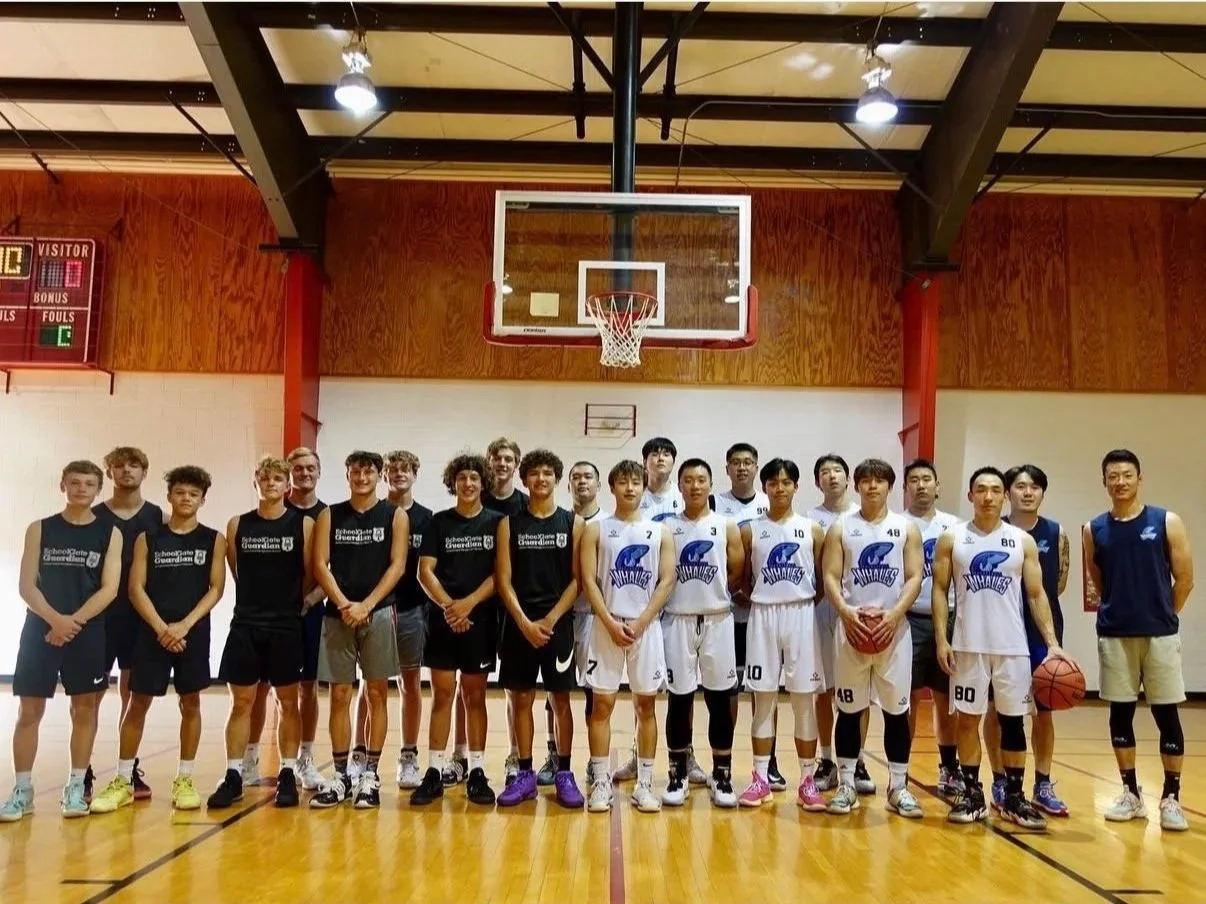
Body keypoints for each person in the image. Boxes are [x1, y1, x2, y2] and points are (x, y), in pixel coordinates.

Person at [932, 466, 1068, 829]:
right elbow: (939, 590)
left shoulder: (1020, 541)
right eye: (981, 490)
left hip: (1013, 647)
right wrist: (941, 638)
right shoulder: (953, 538)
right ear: (970, 496)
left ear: (1003, 496)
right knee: (967, 720)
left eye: (995, 490)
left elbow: (1037, 594)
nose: (988, 496)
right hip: (967, 645)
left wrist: (1052, 643)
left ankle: (1013, 795)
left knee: (1013, 722)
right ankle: (974, 793)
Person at [89, 466, 225, 814]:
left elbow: (216, 589)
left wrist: (184, 625)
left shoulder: (213, 539)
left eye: (193, 494)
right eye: (180, 492)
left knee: (191, 704)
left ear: (203, 500)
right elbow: (135, 588)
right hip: (152, 633)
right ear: (169, 497)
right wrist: (162, 627)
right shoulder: (148, 537)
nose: (186, 499)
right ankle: (123, 778)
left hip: (192, 634)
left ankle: (185, 779)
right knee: (137, 704)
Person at [0, 460, 122, 821]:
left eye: (88, 483)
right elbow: (26, 585)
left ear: (98, 490)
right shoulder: (40, 528)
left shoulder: (109, 532)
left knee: (84, 710)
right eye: (74, 482)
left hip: (87, 631)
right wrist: (55, 620)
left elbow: (110, 588)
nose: (81, 489)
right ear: (63, 486)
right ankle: (22, 789)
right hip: (41, 629)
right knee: (29, 711)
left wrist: (73, 622)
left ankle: (75, 786)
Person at [1083, 449, 1194, 832]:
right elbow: (1099, 581)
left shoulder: (1167, 521)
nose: (1120, 482)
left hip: (1160, 633)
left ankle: (1171, 798)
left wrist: (1165, 614)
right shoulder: (1093, 528)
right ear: (1105, 482)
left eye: (1127, 475)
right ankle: (1130, 793)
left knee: (1167, 716)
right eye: (1113, 476)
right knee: (1120, 716)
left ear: (1139, 478)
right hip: (1115, 634)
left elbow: (1185, 578)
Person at [208, 456, 314, 810]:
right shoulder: (238, 525)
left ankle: (286, 772)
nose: (270, 484)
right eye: (264, 478)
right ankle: (235, 774)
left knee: (288, 703)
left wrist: (297, 605)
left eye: (277, 479)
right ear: (256, 483)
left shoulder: (304, 525)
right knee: (241, 702)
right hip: (246, 625)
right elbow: (238, 572)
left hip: (286, 626)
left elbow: (311, 573)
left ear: (288, 486)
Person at [821, 458, 924, 818]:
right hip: (852, 631)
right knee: (849, 710)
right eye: (865, 481)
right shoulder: (840, 528)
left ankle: (898, 786)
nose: (872, 486)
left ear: (891, 488)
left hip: (894, 634)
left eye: (879, 481)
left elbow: (914, 577)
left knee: (897, 713)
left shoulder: (906, 528)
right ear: (856, 486)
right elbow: (831, 576)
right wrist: (848, 614)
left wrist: (895, 615)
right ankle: (847, 783)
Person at [310, 451, 409, 809]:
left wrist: (366, 605)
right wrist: (344, 604)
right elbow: (320, 564)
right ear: (347, 474)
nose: (362, 476)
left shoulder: (394, 516)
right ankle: (339, 775)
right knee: (340, 696)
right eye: (356, 470)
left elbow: (397, 566)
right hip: (339, 615)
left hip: (379, 613)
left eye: (369, 471)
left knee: (377, 695)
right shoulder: (329, 515)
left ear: (379, 475)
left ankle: (369, 774)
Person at [581, 460, 675, 814]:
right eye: (623, 482)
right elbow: (589, 580)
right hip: (606, 626)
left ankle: (645, 784)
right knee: (601, 705)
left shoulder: (659, 531)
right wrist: (608, 621)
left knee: (645, 706)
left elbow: (667, 580)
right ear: (612, 487)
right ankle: (601, 781)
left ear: (644, 486)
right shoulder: (597, 530)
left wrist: (641, 623)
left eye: (636, 482)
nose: (630, 488)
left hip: (644, 628)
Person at [410, 453, 503, 807]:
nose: (468, 483)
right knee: (444, 695)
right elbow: (425, 572)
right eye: (462, 477)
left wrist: (469, 604)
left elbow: (500, 575)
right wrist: (450, 606)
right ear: (454, 482)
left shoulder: (496, 523)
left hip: (479, 620)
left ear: (483, 483)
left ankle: (476, 771)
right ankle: (433, 771)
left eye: (474, 478)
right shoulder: (438, 522)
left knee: (474, 696)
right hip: (444, 619)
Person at [494, 449, 586, 808]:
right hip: (519, 624)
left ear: (557, 479)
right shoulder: (509, 524)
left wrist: (549, 620)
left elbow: (578, 580)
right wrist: (523, 622)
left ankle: (564, 772)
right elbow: (504, 580)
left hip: (557, 624)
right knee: (521, 699)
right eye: (534, 473)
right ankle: (525, 773)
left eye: (548, 473)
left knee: (559, 699)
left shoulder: (573, 523)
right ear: (524, 480)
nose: (541, 479)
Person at [737, 458, 827, 811]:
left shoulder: (812, 529)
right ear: (764, 487)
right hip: (763, 614)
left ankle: (807, 780)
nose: (779, 488)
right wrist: (760, 598)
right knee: (763, 700)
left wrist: (802, 601)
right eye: (772, 482)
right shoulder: (750, 530)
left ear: (796, 487)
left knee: (805, 700)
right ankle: (760, 778)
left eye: (786, 482)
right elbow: (741, 578)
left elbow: (821, 579)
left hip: (802, 614)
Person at [982, 464, 1070, 817]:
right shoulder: (994, 530)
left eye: (1035, 486)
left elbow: (1058, 583)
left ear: (1043, 493)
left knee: (1044, 710)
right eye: (1020, 486)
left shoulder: (1056, 532)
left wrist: (1048, 632)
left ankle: (1043, 782)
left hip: (1039, 631)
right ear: (1008, 493)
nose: (1028, 492)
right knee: (996, 709)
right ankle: (1000, 778)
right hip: (999, 630)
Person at [663, 458, 742, 808]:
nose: (695, 486)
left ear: (711, 484)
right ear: (679, 486)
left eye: (701, 480)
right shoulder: (666, 527)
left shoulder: (726, 525)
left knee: (719, 700)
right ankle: (677, 774)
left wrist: (717, 594)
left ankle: (721, 775)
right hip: (677, 619)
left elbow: (737, 571)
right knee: (679, 699)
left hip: (717, 619)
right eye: (688, 480)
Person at [90, 446, 164, 802]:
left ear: (144, 472)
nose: (126, 471)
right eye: (118, 466)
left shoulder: (157, 516)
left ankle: (126, 767)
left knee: (135, 698)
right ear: (109, 473)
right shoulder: (93, 517)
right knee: (87, 698)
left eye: (134, 465)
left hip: (140, 618)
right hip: (102, 618)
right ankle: (83, 770)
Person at [611, 436, 682, 784]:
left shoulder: (683, 497)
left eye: (666, 453)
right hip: (639, 611)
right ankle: (639, 760)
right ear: (644, 463)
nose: (660, 458)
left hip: (676, 607)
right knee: (643, 696)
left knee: (678, 692)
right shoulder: (634, 503)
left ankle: (683, 760)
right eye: (654, 453)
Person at [804, 454, 867, 795]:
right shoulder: (808, 519)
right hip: (820, 608)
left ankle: (857, 760)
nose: (831, 477)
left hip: (856, 611)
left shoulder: (864, 517)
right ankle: (827, 759)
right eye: (824, 472)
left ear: (848, 479)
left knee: (860, 692)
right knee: (824, 689)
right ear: (817, 482)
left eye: (837, 471)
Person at [901, 459, 961, 801]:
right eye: (914, 480)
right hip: (907, 618)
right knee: (904, 700)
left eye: (927, 480)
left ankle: (949, 767)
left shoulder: (953, 527)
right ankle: (901, 768)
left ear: (938, 487)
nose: (921, 485)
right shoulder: (897, 525)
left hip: (947, 618)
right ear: (906, 488)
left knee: (944, 699)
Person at [710, 442, 767, 784]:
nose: (742, 468)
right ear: (727, 468)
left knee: (764, 690)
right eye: (736, 463)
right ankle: (724, 761)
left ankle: (766, 762)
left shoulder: (769, 504)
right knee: (727, 690)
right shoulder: (716, 505)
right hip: (727, 611)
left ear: (756, 467)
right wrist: (737, 589)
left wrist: (755, 591)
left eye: (748, 462)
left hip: (762, 614)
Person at [381, 450, 433, 791]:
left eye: (406, 469)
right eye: (393, 469)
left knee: (409, 684)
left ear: (415, 474)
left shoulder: (428, 518)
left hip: (413, 609)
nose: (400, 474)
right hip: (376, 609)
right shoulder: (374, 513)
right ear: (385, 475)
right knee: (369, 687)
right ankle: (359, 756)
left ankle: (409, 756)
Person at [482, 437, 529, 787]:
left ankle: (516, 754)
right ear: (489, 461)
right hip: (479, 606)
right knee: (468, 685)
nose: (502, 463)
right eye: (496, 457)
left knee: (515, 688)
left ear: (517, 464)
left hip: (514, 605)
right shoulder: (474, 498)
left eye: (508, 458)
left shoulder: (525, 507)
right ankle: (462, 755)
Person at [284, 446, 327, 792]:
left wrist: (312, 598)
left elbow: (332, 569)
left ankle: (306, 758)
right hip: (273, 615)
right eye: (297, 468)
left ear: (319, 472)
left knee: (307, 688)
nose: (304, 473)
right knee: (260, 689)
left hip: (311, 612)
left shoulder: (329, 515)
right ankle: (249, 759)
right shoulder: (272, 509)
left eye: (310, 467)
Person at [566, 460, 609, 787]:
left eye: (588, 476)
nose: (582, 482)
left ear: (598, 484)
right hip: (564, 616)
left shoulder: (609, 524)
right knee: (557, 693)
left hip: (596, 618)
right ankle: (557, 757)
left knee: (596, 696)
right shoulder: (559, 521)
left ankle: (596, 765)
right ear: (569, 485)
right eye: (576, 477)